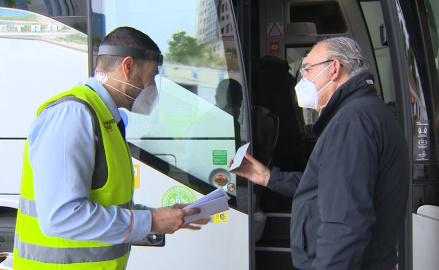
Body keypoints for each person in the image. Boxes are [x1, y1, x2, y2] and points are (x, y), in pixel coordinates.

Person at [13, 26, 209, 269]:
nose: (153, 86)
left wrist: (158, 215)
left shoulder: (104, 117)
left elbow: (103, 204)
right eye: (152, 75)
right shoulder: (73, 115)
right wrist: (149, 222)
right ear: (128, 67)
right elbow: (61, 217)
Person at [229, 37, 409, 269]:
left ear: (334, 68)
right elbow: (328, 188)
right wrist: (268, 177)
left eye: (307, 69)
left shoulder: (350, 124)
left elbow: (343, 226)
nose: (302, 78)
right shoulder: (364, 113)